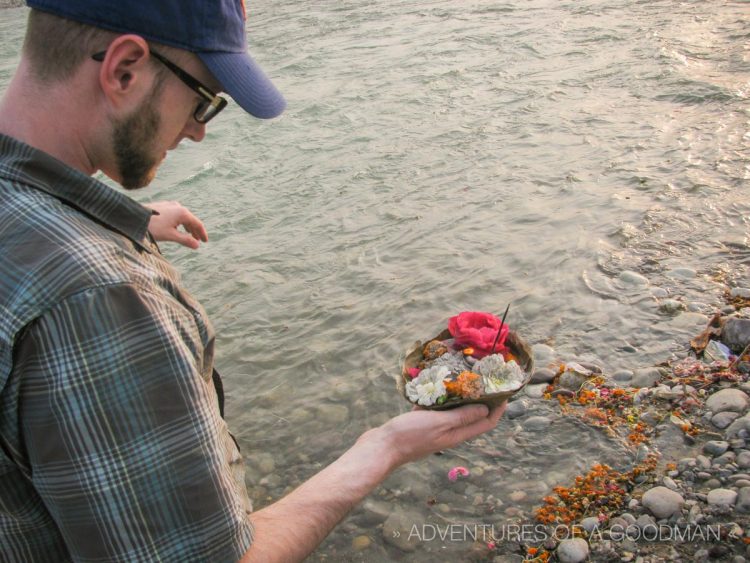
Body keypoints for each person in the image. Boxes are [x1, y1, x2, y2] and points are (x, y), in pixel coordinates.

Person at [0, 1, 506, 562]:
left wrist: (128, 221)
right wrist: (382, 449)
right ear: (123, 69)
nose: (196, 131)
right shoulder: (100, 299)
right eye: (202, 99)